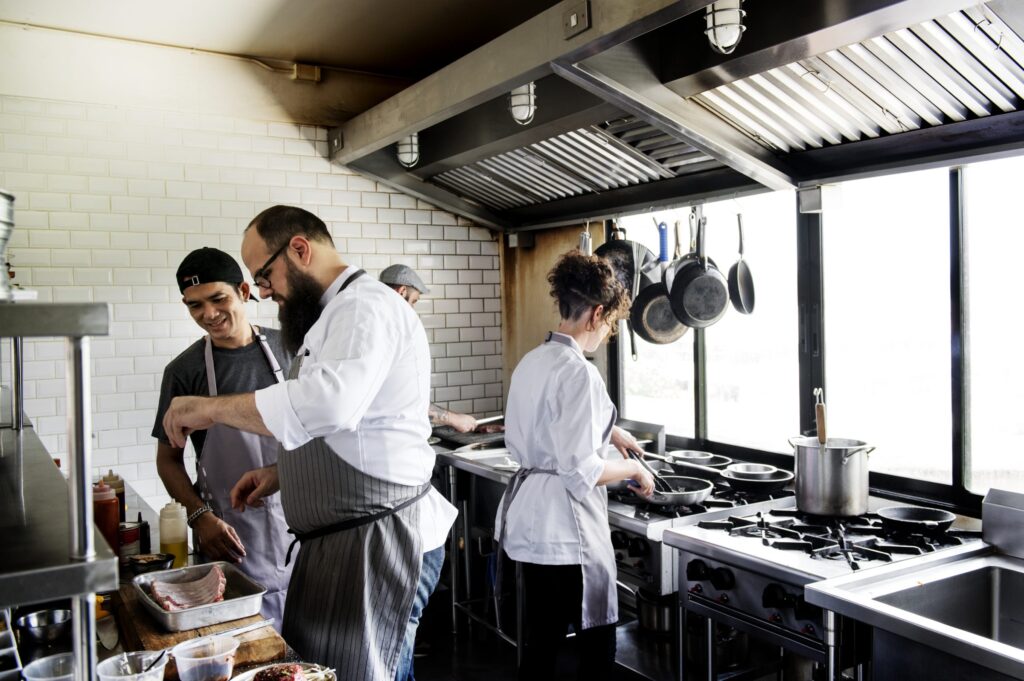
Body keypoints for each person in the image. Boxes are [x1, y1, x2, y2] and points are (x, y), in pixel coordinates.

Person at [161, 206, 456, 681]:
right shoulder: (334, 315)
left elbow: (327, 406)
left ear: (299, 249)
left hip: (379, 538)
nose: (263, 291)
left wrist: (209, 408)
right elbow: (350, 428)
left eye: (264, 275)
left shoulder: (365, 307)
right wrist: (283, 473)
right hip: (346, 541)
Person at [495, 250, 656, 680]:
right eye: (609, 324)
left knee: (540, 649)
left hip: (529, 529)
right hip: (567, 538)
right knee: (596, 656)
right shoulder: (580, 373)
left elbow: (545, 433)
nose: (606, 333)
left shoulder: (533, 360)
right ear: (597, 313)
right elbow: (583, 471)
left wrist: (611, 433)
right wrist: (636, 471)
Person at [152, 247, 293, 626]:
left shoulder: (292, 347)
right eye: (194, 306)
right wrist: (200, 518)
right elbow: (167, 459)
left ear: (244, 291)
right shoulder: (184, 371)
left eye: (218, 299)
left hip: (302, 523)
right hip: (231, 534)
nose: (208, 315)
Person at [379, 263, 479, 434]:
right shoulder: (392, 332)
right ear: (401, 291)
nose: (412, 309)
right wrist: (454, 419)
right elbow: (406, 400)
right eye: (414, 301)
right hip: (392, 442)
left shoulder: (376, 325)